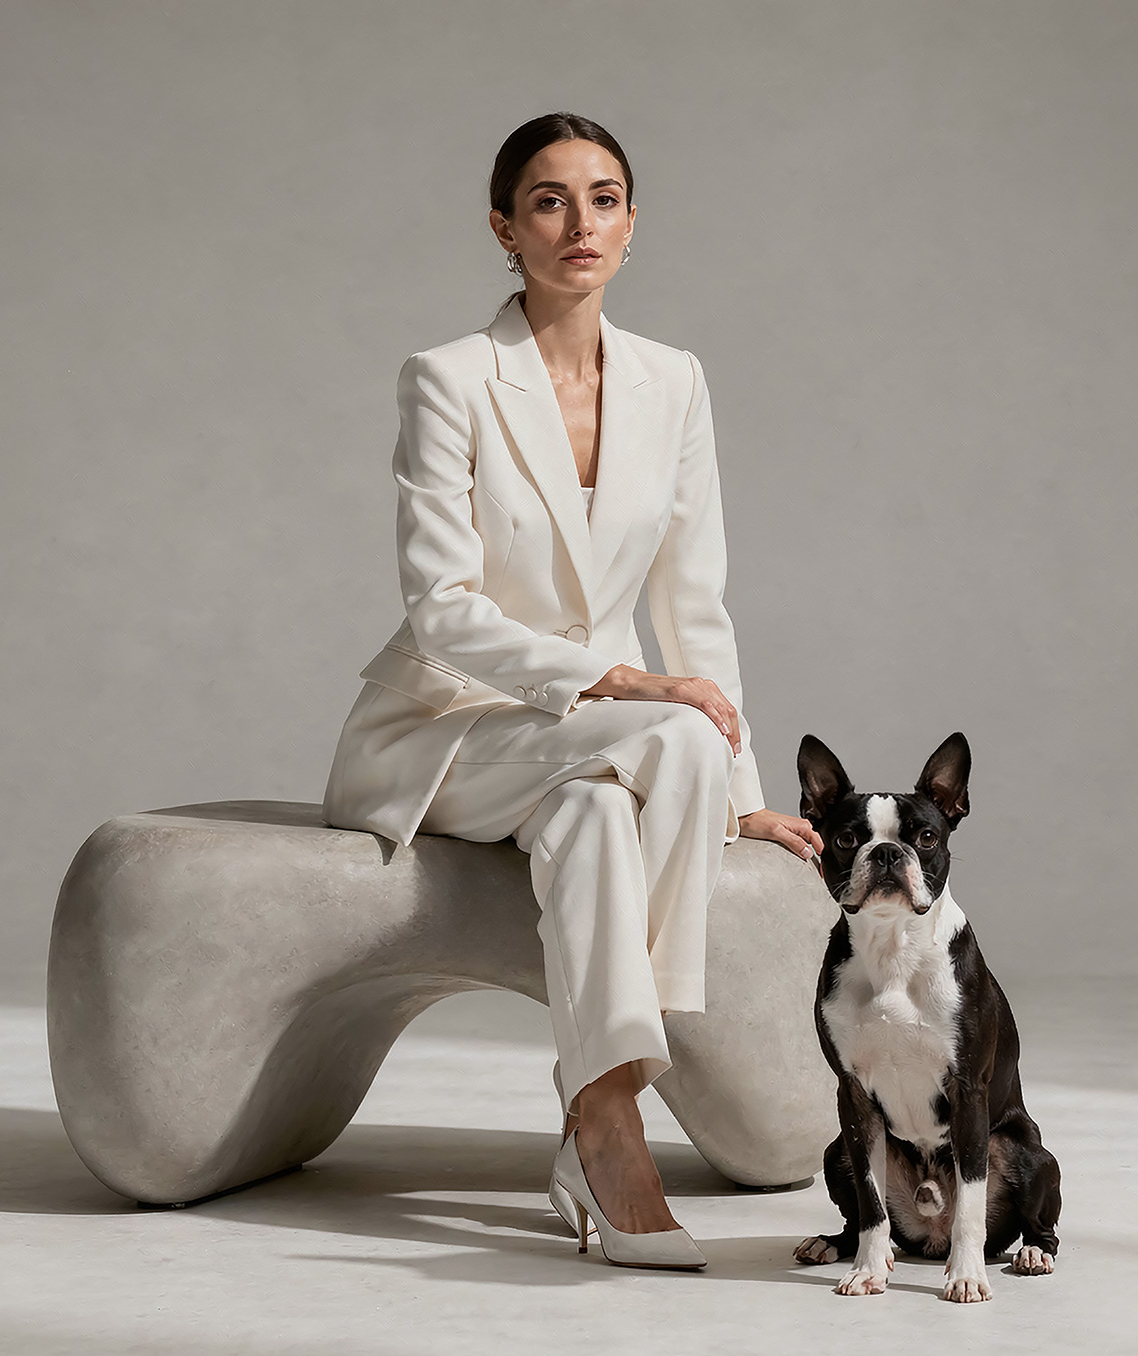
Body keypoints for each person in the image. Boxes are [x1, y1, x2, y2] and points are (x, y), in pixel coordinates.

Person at [321, 112, 821, 1269]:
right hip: (451, 732)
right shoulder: (449, 379)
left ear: (633, 223)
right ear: (505, 228)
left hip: (594, 746)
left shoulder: (673, 382)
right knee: (672, 738)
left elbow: (695, 602)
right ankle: (622, 1098)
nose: (579, 223)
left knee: (602, 808)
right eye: (548, 201)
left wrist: (744, 796)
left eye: (603, 199)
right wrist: (618, 678)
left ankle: (599, 1118)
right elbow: (442, 608)